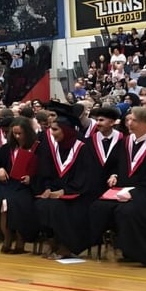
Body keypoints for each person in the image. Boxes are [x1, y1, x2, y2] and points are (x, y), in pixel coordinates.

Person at [89, 107, 146, 267]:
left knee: (126, 211)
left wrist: (134, 193)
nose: (130, 123)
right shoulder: (125, 142)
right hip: (121, 190)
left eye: (135, 120)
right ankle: (109, 243)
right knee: (98, 206)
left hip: (145, 193)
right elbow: (115, 164)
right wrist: (114, 175)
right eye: (128, 119)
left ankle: (134, 252)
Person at [34, 103, 94, 259]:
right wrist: (47, 187)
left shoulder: (82, 147)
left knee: (58, 207)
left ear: (66, 130)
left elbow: (85, 176)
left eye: (55, 129)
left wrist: (65, 191)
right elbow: (46, 171)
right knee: (41, 204)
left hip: (78, 194)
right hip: (56, 192)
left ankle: (66, 246)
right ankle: (52, 241)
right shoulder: (56, 147)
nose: (51, 133)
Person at [0, 116, 40, 254]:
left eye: (20, 133)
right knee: (2, 203)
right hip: (7, 184)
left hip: (26, 186)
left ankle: (20, 239)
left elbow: (42, 171)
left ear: (27, 133)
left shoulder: (37, 148)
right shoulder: (7, 148)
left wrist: (31, 178)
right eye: (14, 133)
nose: (17, 136)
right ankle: (7, 237)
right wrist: (0, 169)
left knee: (18, 203)